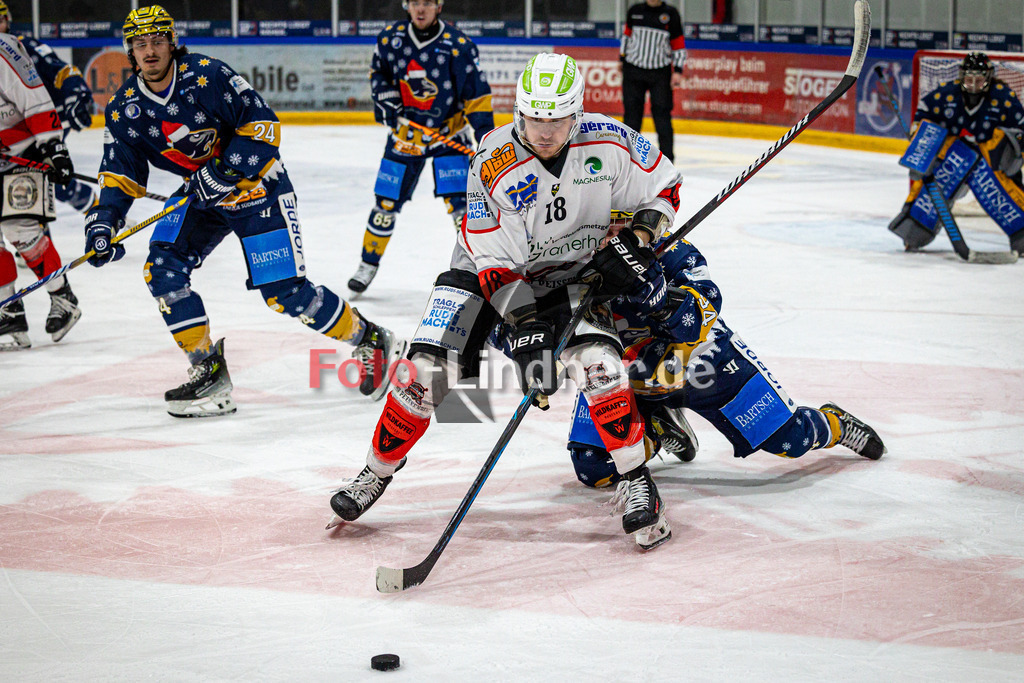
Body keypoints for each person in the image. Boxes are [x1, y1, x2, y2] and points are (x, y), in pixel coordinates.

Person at [329, 52, 682, 550]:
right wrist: (527, 338)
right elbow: (496, 268)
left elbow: (665, 187)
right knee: (424, 375)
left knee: (601, 366)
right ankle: (374, 472)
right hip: (482, 274)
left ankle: (636, 480)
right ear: (518, 110)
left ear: (576, 112)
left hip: (569, 273)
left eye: (556, 118)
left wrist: (640, 238)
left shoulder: (611, 140)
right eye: (534, 116)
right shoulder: (492, 162)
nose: (543, 129)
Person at [86, 6, 405, 417]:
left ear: (172, 42)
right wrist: (103, 221)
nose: (150, 51)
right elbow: (119, 173)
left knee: (285, 293)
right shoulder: (124, 108)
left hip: (260, 191)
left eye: (157, 41)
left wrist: (223, 172)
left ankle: (370, 339)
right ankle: (208, 370)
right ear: (130, 50)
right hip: (201, 197)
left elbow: (264, 127)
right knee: (162, 267)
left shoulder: (209, 75)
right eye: (140, 44)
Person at [563, 236, 886, 490]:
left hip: (706, 361)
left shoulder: (669, 247)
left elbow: (705, 308)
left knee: (791, 440)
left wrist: (660, 297)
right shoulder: (564, 258)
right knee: (595, 468)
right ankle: (660, 427)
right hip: (626, 377)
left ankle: (835, 424)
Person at [347, 0, 493, 294]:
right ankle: (367, 264)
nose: (421, 9)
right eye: (415, 2)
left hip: (447, 138)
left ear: (439, 6)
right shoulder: (391, 39)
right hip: (406, 137)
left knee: (463, 209)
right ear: (407, 5)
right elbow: (378, 75)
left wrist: (487, 140)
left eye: (427, 2)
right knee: (385, 205)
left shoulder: (458, 45)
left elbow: (476, 96)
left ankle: (477, 268)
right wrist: (386, 98)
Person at [889, 52, 1024, 254]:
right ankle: (915, 229)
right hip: (953, 159)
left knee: (999, 162)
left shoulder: (1003, 97)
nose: (973, 84)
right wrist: (921, 147)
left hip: (989, 163)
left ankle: (1021, 232)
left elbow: (1020, 129)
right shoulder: (947, 94)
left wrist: (1012, 153)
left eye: (978, 80)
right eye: (968, 79)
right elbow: (924, 116)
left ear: (989, 78)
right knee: (936, 170)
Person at [0, 26, 80, 350]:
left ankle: (63, 298)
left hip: (24, 152)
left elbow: (33, 95)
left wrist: (53, 147)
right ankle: (9, 310)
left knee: (22, 231)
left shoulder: (4, 48)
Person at [0, 1, 97, 214]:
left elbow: (64, 71)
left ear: (8, 21)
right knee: (44, 183)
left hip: (44, 122)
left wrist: (76, 95)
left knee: (42, 181)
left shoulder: (23, 45)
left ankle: (101, 212)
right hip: (14, 131)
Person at [620, 0, 687, 163]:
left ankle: (667, 161)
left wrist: (677, 70)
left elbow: (678, 43)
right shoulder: (635, 10)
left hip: (660, 72)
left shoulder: (671, 14)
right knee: (631, 117)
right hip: (633, 70)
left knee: (662, 117)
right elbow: (627, 37)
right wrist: (621, 58)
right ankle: (627, 158)